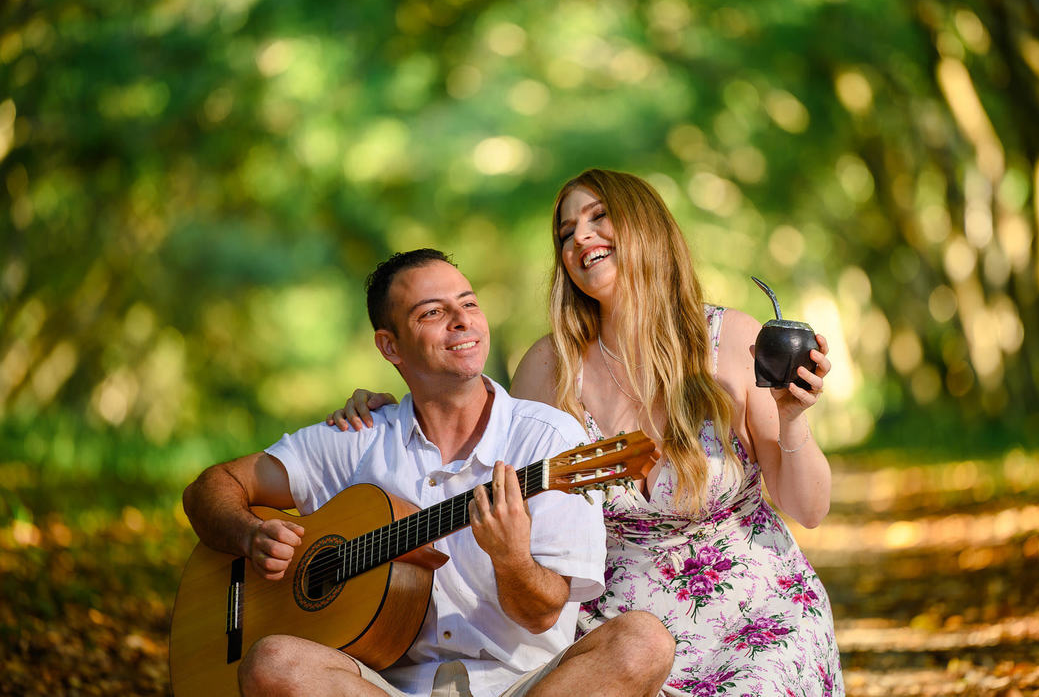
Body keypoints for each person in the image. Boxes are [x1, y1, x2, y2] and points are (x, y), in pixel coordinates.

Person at [330, 173, 844, 697]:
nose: (580, 238)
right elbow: (475, 450)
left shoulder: (731, 338)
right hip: (615, 635)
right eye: (566, 232)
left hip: (755, 619)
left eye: (598, 217)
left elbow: (809, 509)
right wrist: (394, 410)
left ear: (647, 227)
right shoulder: (549, 368)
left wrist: (791, 417)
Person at [183, 248, 675, 697]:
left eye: (469, 304)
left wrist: (513, 560)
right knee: (273, 661)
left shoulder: (548, 440)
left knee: (643, 641)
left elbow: (544, 613)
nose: (462, 321)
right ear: (390, 347)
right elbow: (212, 487)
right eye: (433, 312)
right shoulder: (357, 437)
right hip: (384, 688)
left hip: (524, 687)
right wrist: (250, 535)